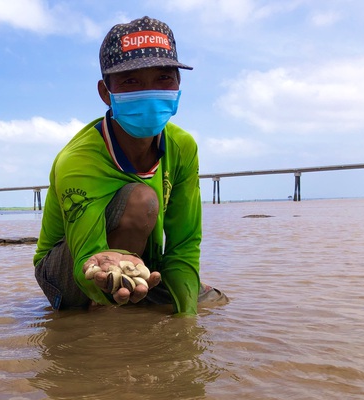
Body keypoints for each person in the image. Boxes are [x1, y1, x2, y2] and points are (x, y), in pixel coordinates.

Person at [34, 16, 226, 315]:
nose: (149, 91)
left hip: (143, 260)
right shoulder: (79, 159)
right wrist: (106, 268)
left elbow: (184, 245)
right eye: (131, 81)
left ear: (178, 84)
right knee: (141, 200)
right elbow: (88, 252)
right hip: (68, 269)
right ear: (105, 93)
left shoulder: (182, 146)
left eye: (163, 78)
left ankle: (135, 301)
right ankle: (105, 314)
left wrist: (187, 323)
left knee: (212, 300)